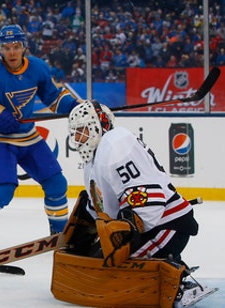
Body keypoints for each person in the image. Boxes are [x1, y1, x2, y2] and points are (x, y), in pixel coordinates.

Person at [66, 100, 216, 306]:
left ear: (98, 125)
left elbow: (145, 201)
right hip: (148, 226)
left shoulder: (116, 142)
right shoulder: (92, 161)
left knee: (106, 270)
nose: (76, 138)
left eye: (81, 130)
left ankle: (177, 283)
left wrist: (128, 234)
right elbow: (105, 210)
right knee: (93, 260)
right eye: (74, 132)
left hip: (165, 225)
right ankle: (170, 266)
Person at [0, 24, 84, 256]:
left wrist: (77, 107)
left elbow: (53, 98)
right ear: (0, 49)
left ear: (24, 47)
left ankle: (58, 238)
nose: (12, 52)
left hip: (28, 138)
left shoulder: (38, 68)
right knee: (1, 191)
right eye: (7, 47)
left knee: (57, 184)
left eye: (16, 47)